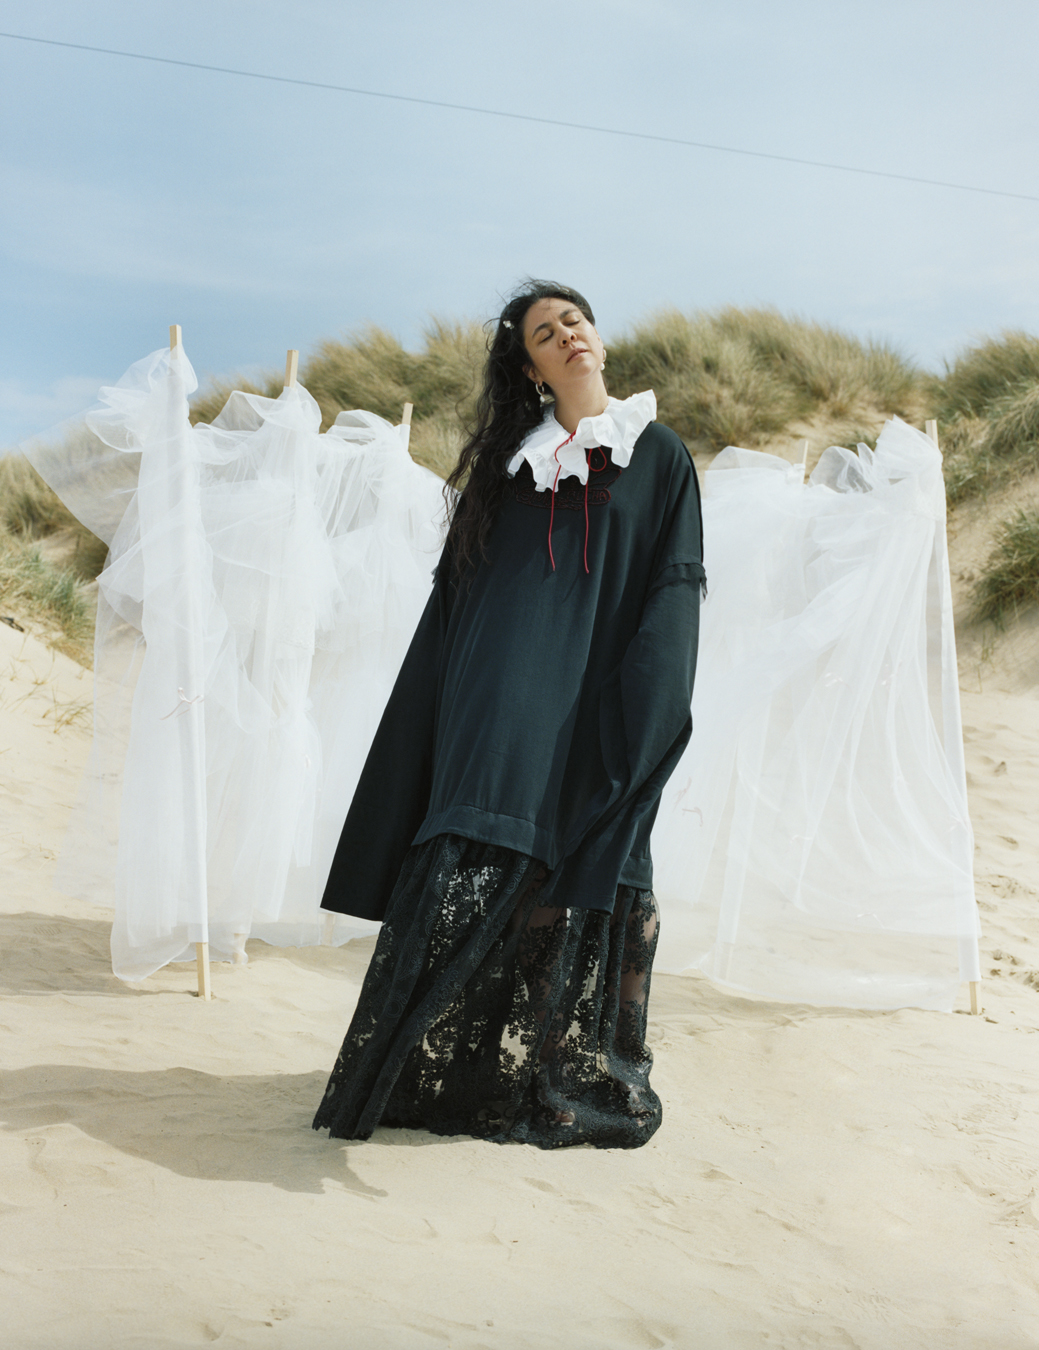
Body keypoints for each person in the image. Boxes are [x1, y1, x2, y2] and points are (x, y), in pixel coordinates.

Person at [312, 280, 706, 1149]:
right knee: (491, 851)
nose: (565, 335)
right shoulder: (510, 467)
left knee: (589, 851)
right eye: (543, 332)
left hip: (598, 694)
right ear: (527, 365)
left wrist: (650, 703)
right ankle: (429, 1078)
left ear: (596, 338)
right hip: (497, 697)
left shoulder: (660, 454)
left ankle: (547, 1077)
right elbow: (460, 598)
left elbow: (673, 588)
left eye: (573, 321)